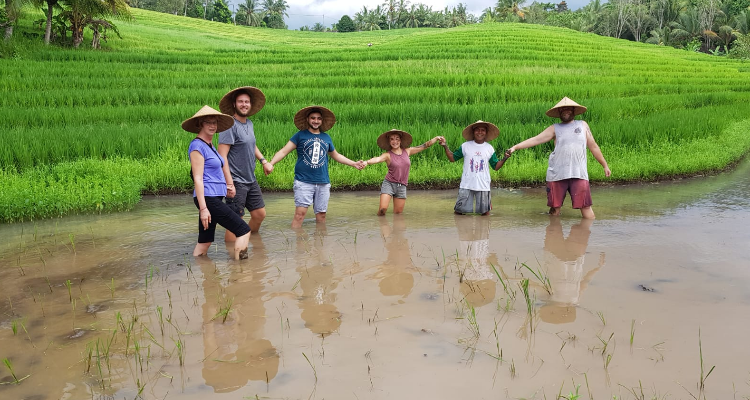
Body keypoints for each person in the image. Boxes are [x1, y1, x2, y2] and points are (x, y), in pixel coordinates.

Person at [506, 97, 611, 219]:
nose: (566, 111)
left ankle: (586, 233)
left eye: (568, 109)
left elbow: (594, 147)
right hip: (557, 174)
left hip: (579, 173)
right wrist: (515, 147)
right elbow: (536, 139)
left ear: (573, 110)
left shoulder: (583, 125)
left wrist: (604, 165)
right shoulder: (554, 128)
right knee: (555, 208)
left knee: (586, 207)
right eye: (563, 109)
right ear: (559, 112)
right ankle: (553, 233)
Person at [269, 106, 365, 228]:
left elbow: (335, 155)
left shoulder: (326, 137)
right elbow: (283, 151)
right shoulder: (300, 135)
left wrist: (353, 163)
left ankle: (320, 244)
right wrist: (271, 163)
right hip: (303, 181)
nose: (316, 121)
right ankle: (298, 245)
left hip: (323, 182)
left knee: (321, 215)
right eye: (313, 118)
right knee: (300, 215)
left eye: (319, 119)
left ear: (322, 121)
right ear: (308, 119)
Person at [183, 105, 250, 260]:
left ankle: (198, 271)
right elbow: (198, 178)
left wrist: (226, 187)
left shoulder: (210, 145)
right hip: (207, 199)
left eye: (215, 122)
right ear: (200, 124)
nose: (212, 126)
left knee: (205, 241)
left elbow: (213, 173)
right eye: (208, 122)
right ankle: (241, 273)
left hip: (214, 197)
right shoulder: (197, 146)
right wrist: (203, 208)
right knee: (243, 230)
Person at [218, 87, 273, 240]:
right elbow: (222, 157)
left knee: (259, 214)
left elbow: (251, 145)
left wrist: (263, 161)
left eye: (247, 102)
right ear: (234, 104)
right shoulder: (229, 126)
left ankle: (249, 241)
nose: (244, 104)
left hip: (250, 178)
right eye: (240, 101)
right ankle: (232, 255)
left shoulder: (249, 123)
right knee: (236, 221)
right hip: (236, 180)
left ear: (250, 105)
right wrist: (229, 183)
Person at [364, 129, 443, 215]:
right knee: (382, 209)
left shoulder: (407, 151)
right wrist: (367, 162)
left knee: (398, 214)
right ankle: (382, 226)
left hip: (402, 186)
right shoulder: (387, 155)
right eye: (392, 139)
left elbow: (424, 145)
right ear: (389, 141)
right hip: (389, 183)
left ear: (400, 141)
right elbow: (377, 159)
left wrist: (436, 138)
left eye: (397, 139)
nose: (395, 141)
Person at [439, 121, 510, 215]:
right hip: (466, 184)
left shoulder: (489, 148)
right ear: (473, 132)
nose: (480, 132)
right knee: (459, 212)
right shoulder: (465, 146)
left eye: (482, 130)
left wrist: (505, 158)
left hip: (483, 185)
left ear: (486, 133)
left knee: (485, 214)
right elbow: (452, 158)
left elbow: (495, 166)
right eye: (477, 130)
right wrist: (445, 146)